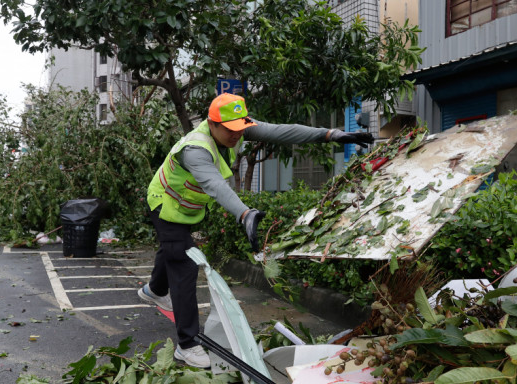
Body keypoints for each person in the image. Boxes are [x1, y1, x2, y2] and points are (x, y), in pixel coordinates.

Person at [137, 93, 374, 368]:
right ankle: (187, 345)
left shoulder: (235, 128)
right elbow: (216, 185)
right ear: (212, 123)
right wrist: (245, 213)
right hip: (165, 203)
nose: (236, 135)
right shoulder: (195, 149)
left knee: (173, 249)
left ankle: (154, 289)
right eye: (229, 130)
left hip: (187, 208)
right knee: (184, 263)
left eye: (240, 129)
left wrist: (330, 134)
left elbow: (281, 132)